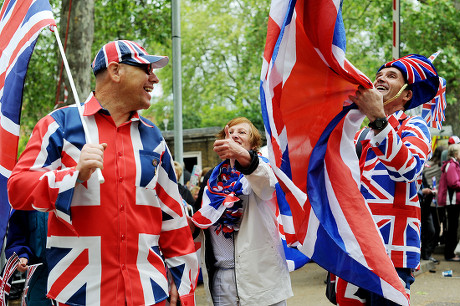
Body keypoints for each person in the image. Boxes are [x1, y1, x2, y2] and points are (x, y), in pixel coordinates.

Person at [7, 40, 198, 306]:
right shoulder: (58, 125)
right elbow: (17, 190)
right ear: (115, 70)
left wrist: (184, 281)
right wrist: (73, 175)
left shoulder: (154, 137)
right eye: (146, 69)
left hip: (149, 294)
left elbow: (173, 217)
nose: (154, 78)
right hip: (77, 296)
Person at [341, 54, 442, 305]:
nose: (381, 78)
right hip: (355, 248)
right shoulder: (359, 134)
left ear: (407, 95)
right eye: (380, 75)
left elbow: (407, 170)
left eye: (392, 76)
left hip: (392, 251)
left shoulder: (415, 125)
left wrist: (378, 119)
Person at [190, 117, 293, 305]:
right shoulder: (210, 181)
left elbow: (266, 184)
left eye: (242, 132)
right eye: (231, 132)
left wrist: (241, 155)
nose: (235, 135)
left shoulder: (263, 168)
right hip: (222, 280)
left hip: (261, 278)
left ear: (253, 145)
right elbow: (202, 224)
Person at [4, 210, 51, 305]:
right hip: (40, 275)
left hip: (76, 270)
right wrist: (21, 254)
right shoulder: (27, 198)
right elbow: (17, 230)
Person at [437, 143, 460, 261]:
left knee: (453, 227)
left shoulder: (452, 164)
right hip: (452, 202)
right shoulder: (451, 165)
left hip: (454, 201)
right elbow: (453, 183)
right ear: (456, 153)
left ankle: (451, 253)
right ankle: (449, 254)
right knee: (452, 228)